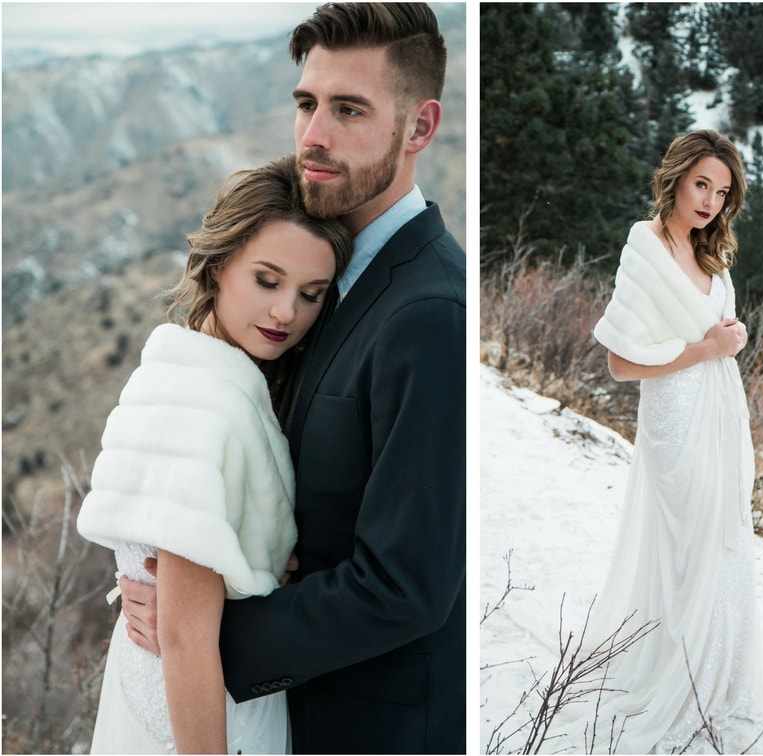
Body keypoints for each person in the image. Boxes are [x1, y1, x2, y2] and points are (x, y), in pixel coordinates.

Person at [118, 4, 467, 754]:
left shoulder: (428, 311)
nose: (313, 135)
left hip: (374, 728)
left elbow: (408, 583)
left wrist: (209, 634)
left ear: (419, 127)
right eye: (307, 104)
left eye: (348, 110)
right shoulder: (322, 280)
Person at [77, 155, 352, 754]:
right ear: (220, 264)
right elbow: (184, 639)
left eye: (311, 294)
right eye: (267, 280)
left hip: (162, 685)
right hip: (200, 710)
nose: (287, 313)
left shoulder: (182, 367)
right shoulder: (207, 406)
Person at [587, 129, 763, 752]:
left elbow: (716, 333)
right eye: (701, 184)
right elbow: (620, 364)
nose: (711, 200)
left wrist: (731, 338)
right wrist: (707, 348)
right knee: (691, 546)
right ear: (677, 178)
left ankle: (715, 682)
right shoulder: (647, 245)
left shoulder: (710, 253)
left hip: (717, 412)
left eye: (721, 191)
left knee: (725, 542)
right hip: (674, 416)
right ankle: (681, 678)